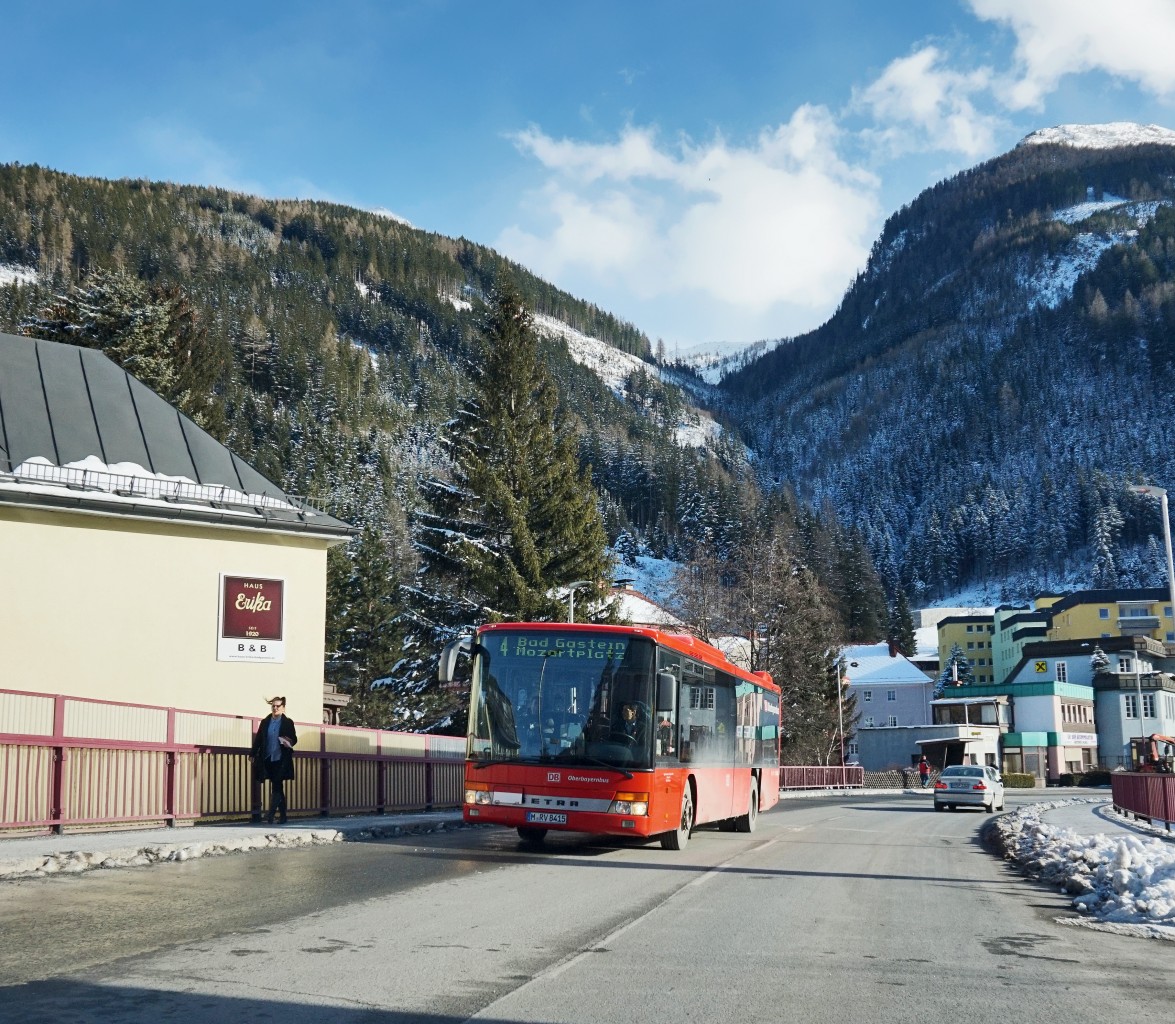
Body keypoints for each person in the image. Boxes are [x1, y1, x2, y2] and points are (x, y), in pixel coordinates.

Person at [252, 696, 297, 824]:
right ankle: (283, 816)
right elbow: (259, 739)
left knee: (277, 784)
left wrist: (288, 741)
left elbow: (294, 739)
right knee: (277, 787)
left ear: (283, 708)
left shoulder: (288, 722)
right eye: (273, 706)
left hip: (281, 758)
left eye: (278, 706)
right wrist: (253, 753)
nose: (275, 708)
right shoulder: (265, 722)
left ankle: (270, 814)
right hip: (267, 758)